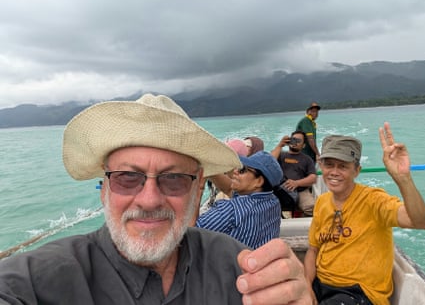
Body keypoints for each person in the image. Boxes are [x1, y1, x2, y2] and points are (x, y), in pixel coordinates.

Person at [0, 94, 313, 305]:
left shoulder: (233, 261)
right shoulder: (44, 277)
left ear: (197, 188)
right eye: (127, 177)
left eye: (174, 178)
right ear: (105, 187)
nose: (149, 200)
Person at [304, 122, 425, 305]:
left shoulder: (373, 200)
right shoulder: (322, 202)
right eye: (329, 165)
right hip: (320, 285)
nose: (334, 172)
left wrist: (403, 179)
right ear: (321, 166)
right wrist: (307, 286)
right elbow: (313, 249)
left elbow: (420, 222)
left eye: (343, 166)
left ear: (357, 170)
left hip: (359, 293)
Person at [196, 151, 282, 248]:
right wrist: (210, 169)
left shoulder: (230, 210)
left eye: (242, 169)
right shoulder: (274, 201)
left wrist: (199, 188)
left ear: (259, 181)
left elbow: (190, 235)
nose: (235, 171)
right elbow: (229, 188)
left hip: (230, 262)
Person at [270, 130, 317, 217]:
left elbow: (313, 178)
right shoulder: (280, 154)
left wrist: (297, 183)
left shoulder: (307, 159)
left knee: (312, 207)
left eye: (298, 141)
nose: (295, 142)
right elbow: (269, 161)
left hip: (301, 190)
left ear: (303, 145)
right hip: (280, 189)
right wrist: (280, 145)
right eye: (293, 139)